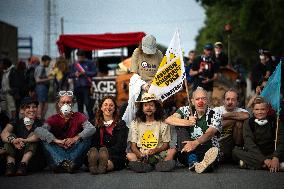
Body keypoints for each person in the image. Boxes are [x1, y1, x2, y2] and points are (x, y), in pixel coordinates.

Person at [34, 90, 96, 173]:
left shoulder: (79, 116)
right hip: (58, 152)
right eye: (63, 102)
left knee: (87, 137)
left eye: (68, 102)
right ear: (59, 104)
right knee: (44, 138)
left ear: (72, 104)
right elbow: (39, 130)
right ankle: (65, 163)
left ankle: (63, 163)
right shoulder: (53, 119)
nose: (65, 105)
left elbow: (92, 129)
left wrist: (75, 138)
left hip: (74, 154)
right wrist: (56, 141)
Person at [165, 87, 222, 173]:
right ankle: (196, 162)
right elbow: (169, 120)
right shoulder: (185, 110)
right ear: (192, 101)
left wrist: (195, 143)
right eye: (197, 99)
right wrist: (187, 122)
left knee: (212, 154)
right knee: (179, 125)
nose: (200, 102)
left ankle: (199, 163)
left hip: (207, 149)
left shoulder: (215, 114)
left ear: (208, 100)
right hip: (186, 151)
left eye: (203, 99)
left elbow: (210, 133)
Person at [232, 97, 284, 172]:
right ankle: (270, 165)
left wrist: (276, 157)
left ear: (267, 110)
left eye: (262, 109)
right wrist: (265, 160)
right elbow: (249, 144)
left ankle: (249, 164)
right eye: (257, 109)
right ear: (253, 110)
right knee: (235, 151)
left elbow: (281, 141)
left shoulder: (275, 122)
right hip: (256, 153)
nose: (259, 112)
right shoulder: (248, 123)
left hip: (272, 152)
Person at [127, 93, 175, 172]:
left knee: (171, 151)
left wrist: (156, 150)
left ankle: (159, 164)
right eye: (145, 105)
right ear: (142, 108)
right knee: (129, 155)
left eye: (151, 105)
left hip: (159, 153)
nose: (148, 108)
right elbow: (133, 146)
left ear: (156, 108)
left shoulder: (163, 124)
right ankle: (144, 164)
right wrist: (140, 154)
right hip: (142, 153)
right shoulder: (135, 124)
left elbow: (166, 145)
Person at [123, 34, 163, 127]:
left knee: (156, 111)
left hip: (156, 86)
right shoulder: (137, 52)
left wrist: (155, 85)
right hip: (141, 85)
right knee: (142, 111)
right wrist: (143, 85)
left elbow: (162, 72)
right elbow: (134, 74)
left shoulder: (159, 54)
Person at [0, 97, 45, 176]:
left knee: (33, 137)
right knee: (10, 137)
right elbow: (4, 133)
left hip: (33, 161)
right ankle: (10, 165)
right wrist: (13, 140)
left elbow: (39, 135)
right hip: (17, 159)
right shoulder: (16, 121)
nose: (31, 109)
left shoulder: (40, 123)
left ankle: (23, 164)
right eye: (28, 107)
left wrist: (24, 140)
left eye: (34, 107)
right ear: (21, 110)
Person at [87, 96, 128, 174]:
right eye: (105, 105)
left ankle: (103, 166)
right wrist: (99, 153)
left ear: (115, 108)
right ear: (101, 108)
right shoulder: (93, 123)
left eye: (111, 105)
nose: (108, 107)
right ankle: (95, 165)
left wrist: (106, 153)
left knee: (113, 161)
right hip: (97, 153)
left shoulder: (121, 124)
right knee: (91, 155)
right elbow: (92, 144)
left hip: (115, 154)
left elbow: (120, 146)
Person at [213, 89, 249, 162]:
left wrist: (226, 116)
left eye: (233, 100)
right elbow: (218, 126)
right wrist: (236, 118)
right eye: (227, 99)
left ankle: (237, 152)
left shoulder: (242, 111)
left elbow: (246, 116)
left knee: (239, 123)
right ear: (223, 101)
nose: (230, 102)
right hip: (220, 142)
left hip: (234, 143)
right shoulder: (216, 110)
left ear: (237, 102)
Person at [69, 50, 96, 120]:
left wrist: (85, 72)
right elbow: (69, 75)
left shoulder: (90, 63)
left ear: (84, 57)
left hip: (86, 86)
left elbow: (94, 72)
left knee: (88, 104)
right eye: (78, 57)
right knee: (79, 105)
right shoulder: (74, 65)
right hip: (77, 87)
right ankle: (80, 121)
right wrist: (75, 74)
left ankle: (92, 119)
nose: (79, 59)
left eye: (81, 57)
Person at [34, 55, 52, 120]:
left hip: (42, 88)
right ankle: (39, 120)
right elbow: (37, 80)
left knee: (45, 105)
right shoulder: (40, 68)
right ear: (44, 61)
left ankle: (41, 119)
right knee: (41, 104)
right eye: (48, 62)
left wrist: (47, 76)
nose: (49, 63)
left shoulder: (41, 68)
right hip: (41, 88)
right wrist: (48, 79)